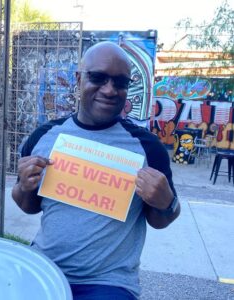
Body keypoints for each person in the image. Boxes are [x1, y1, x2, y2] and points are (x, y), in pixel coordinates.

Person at [12, 41, 180, 300]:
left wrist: (166, 202)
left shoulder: (147, 147)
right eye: (98, 78)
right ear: (79, 79)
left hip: (109, 283)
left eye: (120, 83)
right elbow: (29, 206)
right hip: (45, 267)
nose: (110, 90)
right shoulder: (44, 137)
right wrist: (24, 186)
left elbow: (161, 220)